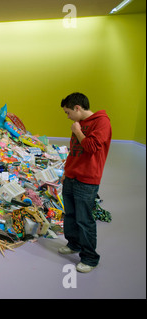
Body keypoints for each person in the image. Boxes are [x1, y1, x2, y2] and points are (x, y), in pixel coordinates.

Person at [59, 92, 112, 273]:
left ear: (77, 108)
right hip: (71, 177)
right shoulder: (78, 124)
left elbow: (90, 147)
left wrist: (78, 131)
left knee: (85, 220)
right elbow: (74, 151)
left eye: (68, 112)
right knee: (71, 215)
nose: (68, 117)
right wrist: (67, 171)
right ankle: (73, 244)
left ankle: (90, 258)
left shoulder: (102, 122)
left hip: (87, 180)